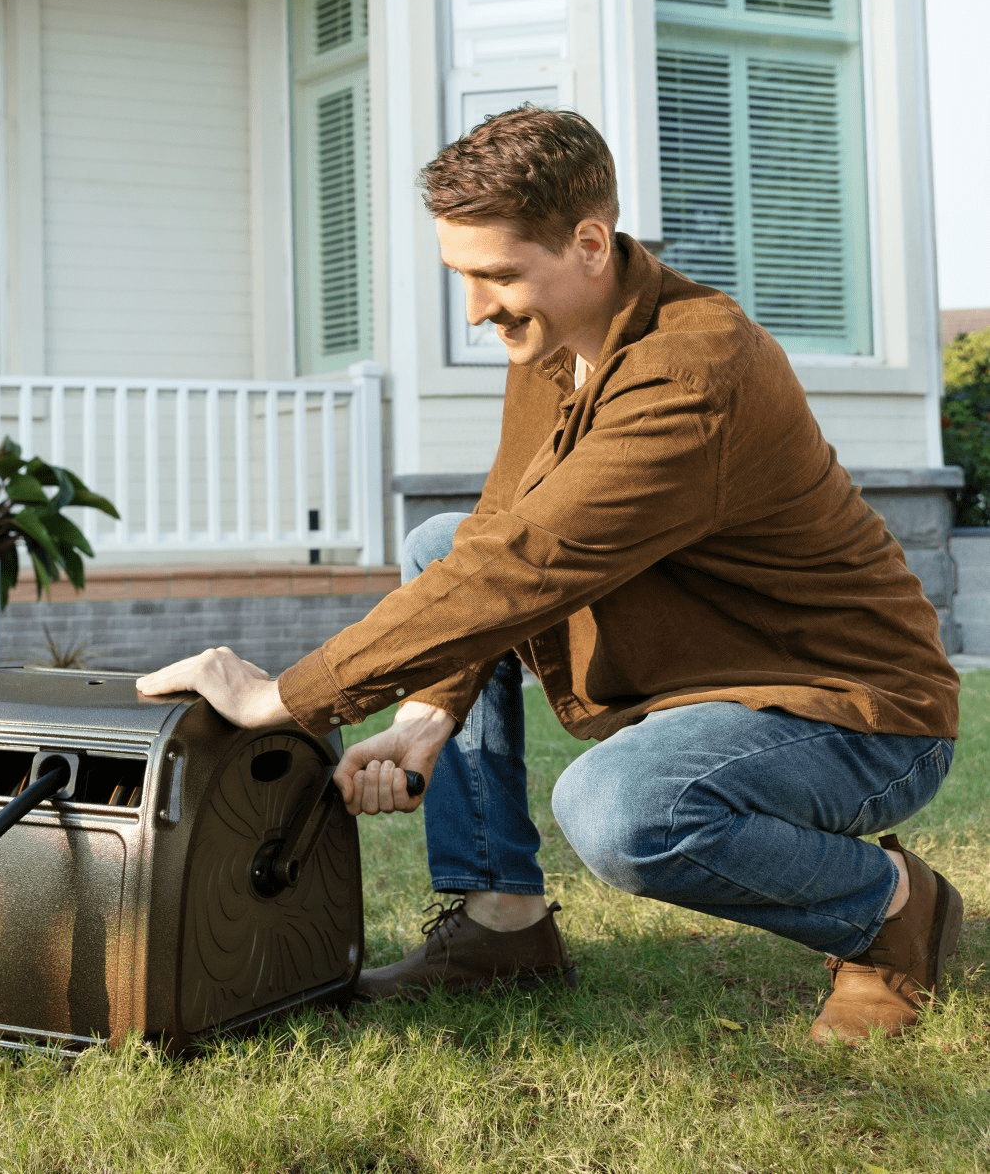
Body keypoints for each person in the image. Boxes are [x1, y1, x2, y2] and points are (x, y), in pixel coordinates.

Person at [136, 106, 960, 1045]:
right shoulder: (561, 340)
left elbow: (534, 566)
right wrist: (425, 715)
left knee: (622, 808)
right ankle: (501, 925)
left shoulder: (693, 372)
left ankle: (888, 909)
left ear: (589, 243)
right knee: (443, 542)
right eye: (464, 277)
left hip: (853, 715)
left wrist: (287, 696)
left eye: (497, 276)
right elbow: (495, 537)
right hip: (708, 690)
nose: (478, 308)